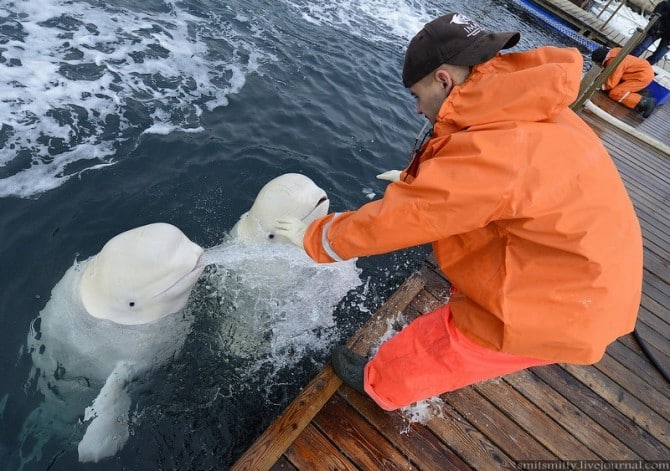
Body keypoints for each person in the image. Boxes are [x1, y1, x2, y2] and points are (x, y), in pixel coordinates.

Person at [275, 13, 643, 411]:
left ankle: (379, 388)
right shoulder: (528, 104)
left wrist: (315, 237)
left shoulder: (494, 152)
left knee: (454, 343)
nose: (418, 110)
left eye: (417, 96)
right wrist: (430, 180)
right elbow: (501, 187)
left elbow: (397, 221)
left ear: (444, 80)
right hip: (591, 268)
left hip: (567, 301)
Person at [591, 46, 656, 118]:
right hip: (641, 73)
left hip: (642, 77)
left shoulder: (615, 62)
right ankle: (641, 94)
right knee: (615, 88)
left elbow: (611, 83)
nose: (598, 65)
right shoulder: (615, 54)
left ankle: (645, 102)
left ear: (601, 60)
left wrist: (597, 86)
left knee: (615, 93)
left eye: (597, 63)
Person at [631, 0, 670, 65]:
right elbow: (661, 7)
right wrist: (655, 21)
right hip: (659, 28)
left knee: (657, 57)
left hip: (668, 39)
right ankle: (626, 62)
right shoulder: (667, 3)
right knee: (642, 47)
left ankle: (640, 68)